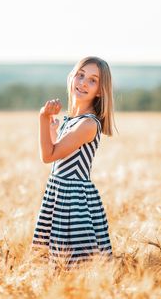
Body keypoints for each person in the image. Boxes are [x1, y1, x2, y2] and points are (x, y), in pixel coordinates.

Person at [31, 56, 117, 270]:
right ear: (71, 77)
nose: (83, 83)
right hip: (58, 194)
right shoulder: (73, 120)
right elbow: (59, 157)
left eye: (92, 80)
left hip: (73, 201)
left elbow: (48, 156)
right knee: (55, 266)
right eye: (80, 75)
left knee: (77, 265)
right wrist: (52, 132)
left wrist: (42, 118)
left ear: (100, 91)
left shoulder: (88, 124)